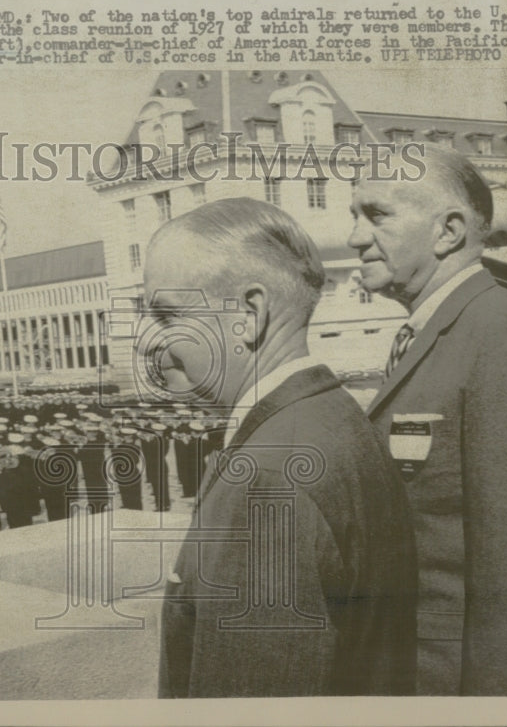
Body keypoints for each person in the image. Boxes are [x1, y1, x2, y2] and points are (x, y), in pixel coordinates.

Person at [148, 197, 417, 698]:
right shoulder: (332, 416)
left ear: (248, 314)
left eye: (168, 317)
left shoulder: (266, 479)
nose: (153, 345)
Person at [347, 145, 507, 696]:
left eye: (377, 215)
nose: (357, 238)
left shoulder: (506, 334)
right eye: (353, 217)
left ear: (447, 231)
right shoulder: (440, 333)